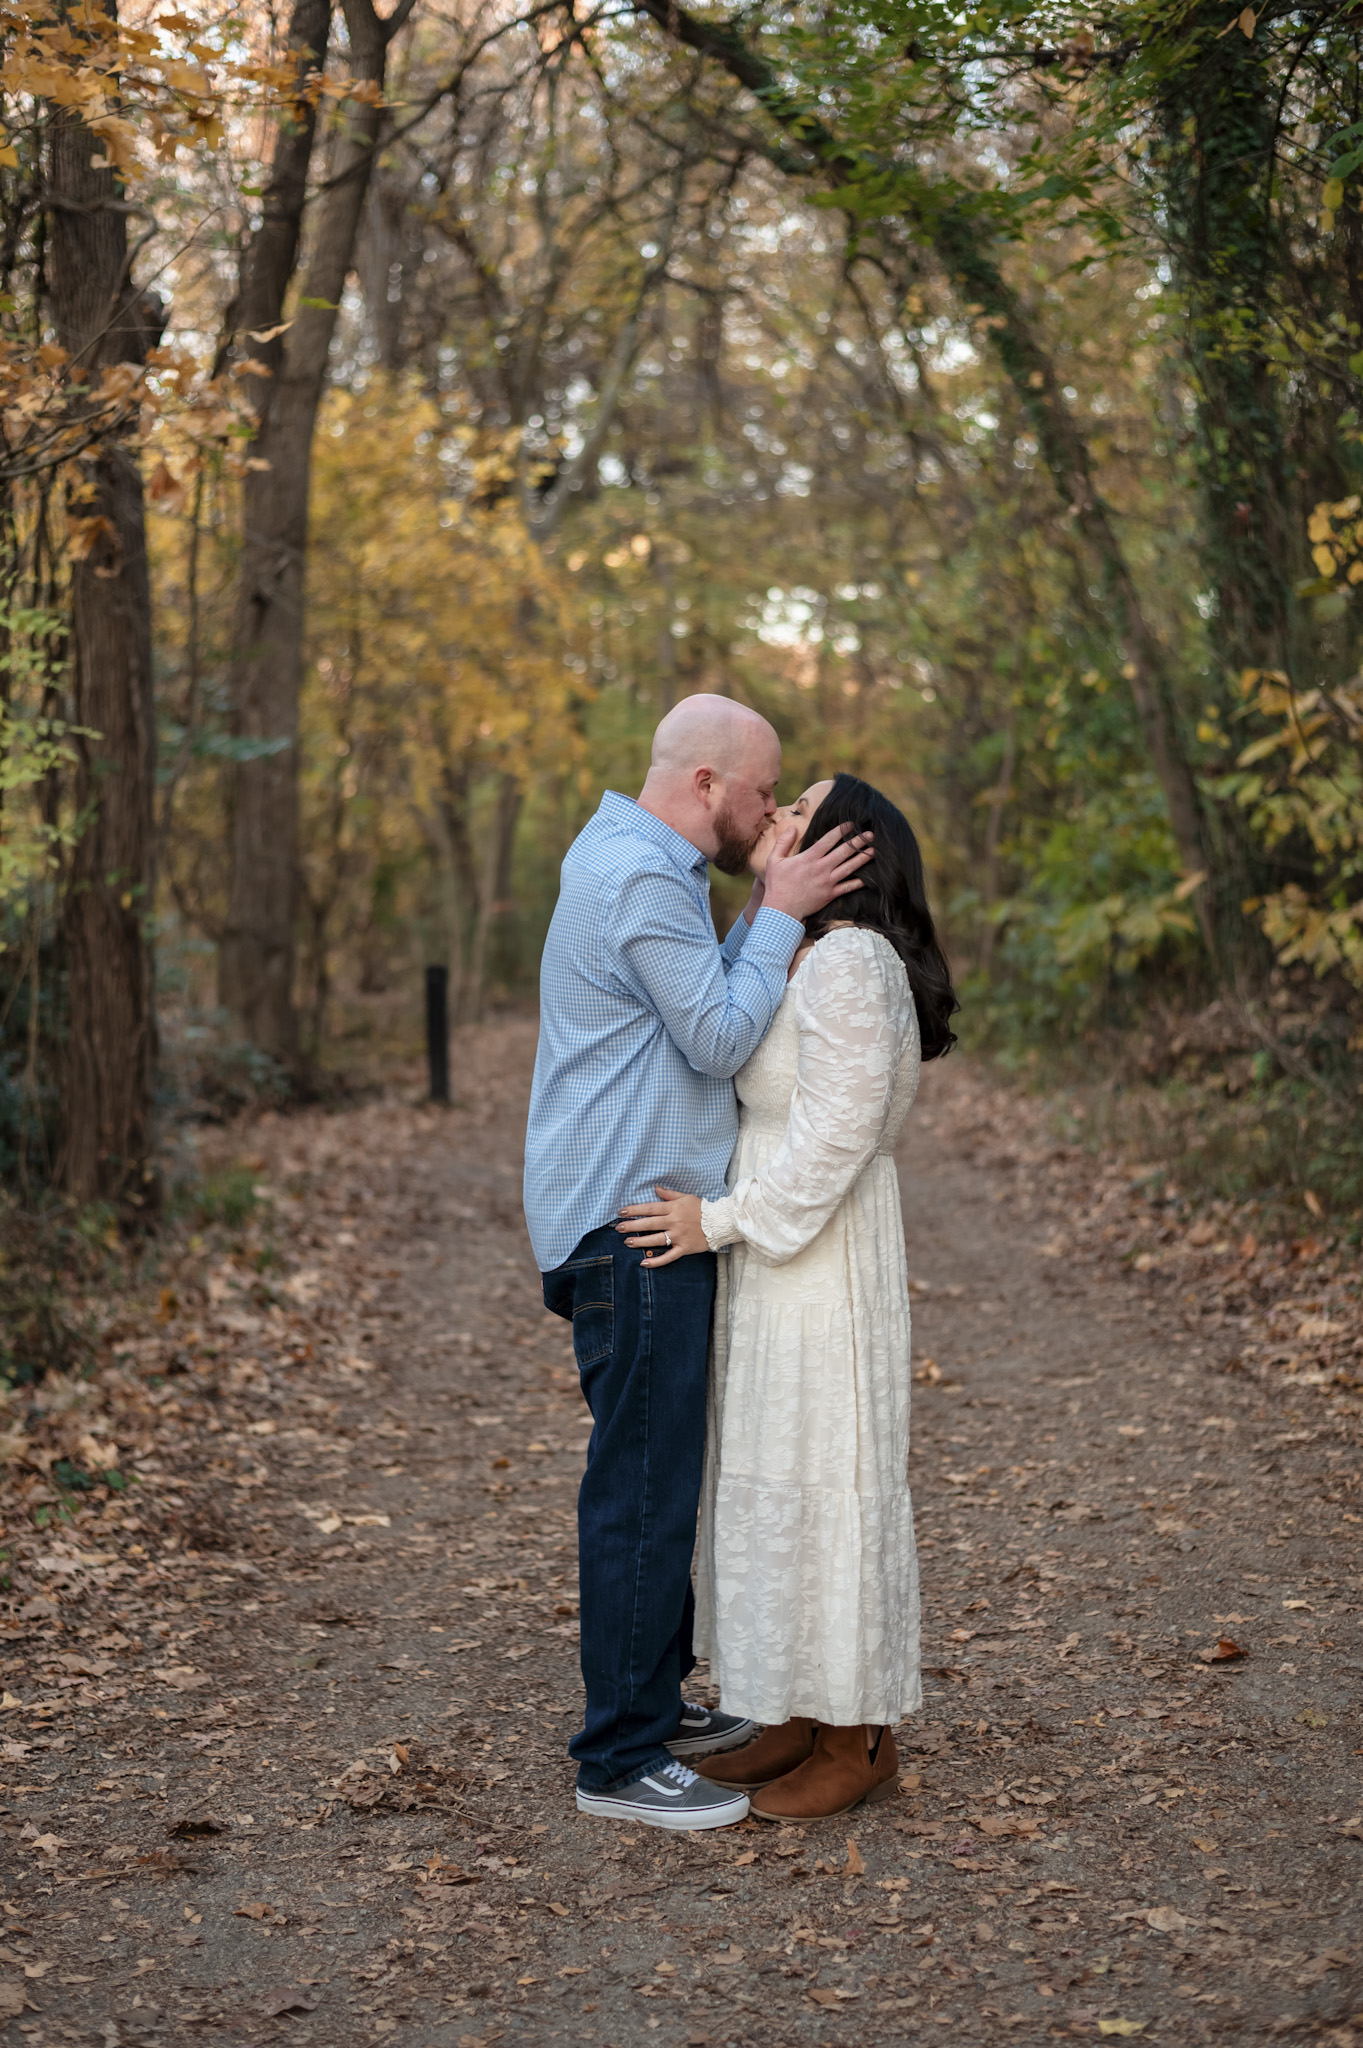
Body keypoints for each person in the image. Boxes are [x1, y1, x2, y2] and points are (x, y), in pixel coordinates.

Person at [524, 698, 874, 1831]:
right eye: (767, 793)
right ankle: (618, 1757)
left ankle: (655, 1707)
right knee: (639, 1486)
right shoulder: (638, 878)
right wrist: (778, 907)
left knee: (660, 1474)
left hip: (643, 1219)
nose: (773, 814)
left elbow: (701, 1008)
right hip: (634, 1229)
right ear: (711, 780)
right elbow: (724, 1039)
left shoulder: (648, 868)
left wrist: (755, 916)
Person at [619, 773, 958, 1821]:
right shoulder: (801, 948)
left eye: (796, 811)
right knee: (771, 1479)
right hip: (774, 1257)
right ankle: (788, 1713)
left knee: (827, 1476)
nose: (771, 818)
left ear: (850, 853)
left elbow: (836, 1142)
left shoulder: (853, 961)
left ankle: (859, 1733)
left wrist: (713, 1221)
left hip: (817, 1258)